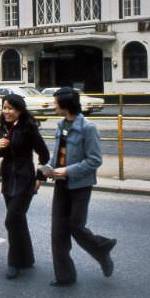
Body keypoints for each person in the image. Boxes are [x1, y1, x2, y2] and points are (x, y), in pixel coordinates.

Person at [43, 87, 116, 287]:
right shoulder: (60, 124)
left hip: (80, 185)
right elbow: (58, 153)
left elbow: (94, 160)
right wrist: (50, 167)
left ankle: (102, 249)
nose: (53, 105)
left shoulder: (88, 127)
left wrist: (67, 171)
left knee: (76, 226)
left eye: (56, 102)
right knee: (58, 231)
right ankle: (64, 276)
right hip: (61, 183)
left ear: (66, 104)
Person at [0, 94, 50, 280]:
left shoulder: (29, 128)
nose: (6, 112)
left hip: (25, 179)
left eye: (10, 108)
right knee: (18, 220)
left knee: (12, 220)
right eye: (4, 108)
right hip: (8, 178)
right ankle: (27, 258)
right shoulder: (3, 125)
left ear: (19, 110)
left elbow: (44, 153)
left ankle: (14, 262)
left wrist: (40, 177)